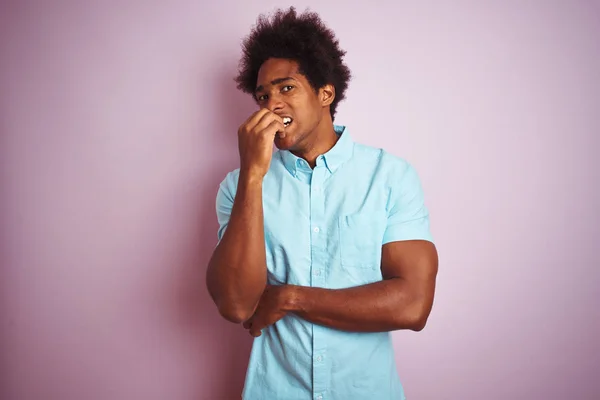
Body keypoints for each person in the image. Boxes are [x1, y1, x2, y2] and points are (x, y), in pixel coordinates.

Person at [206, 7, 438, 400]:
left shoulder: (390, 177)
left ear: (325, 93)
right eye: (263, 95)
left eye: (286, 88)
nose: (271, 105)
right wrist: (253, 176)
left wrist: (290, 297)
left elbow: (413, 304)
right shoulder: (238, 185)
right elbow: (235, 303)